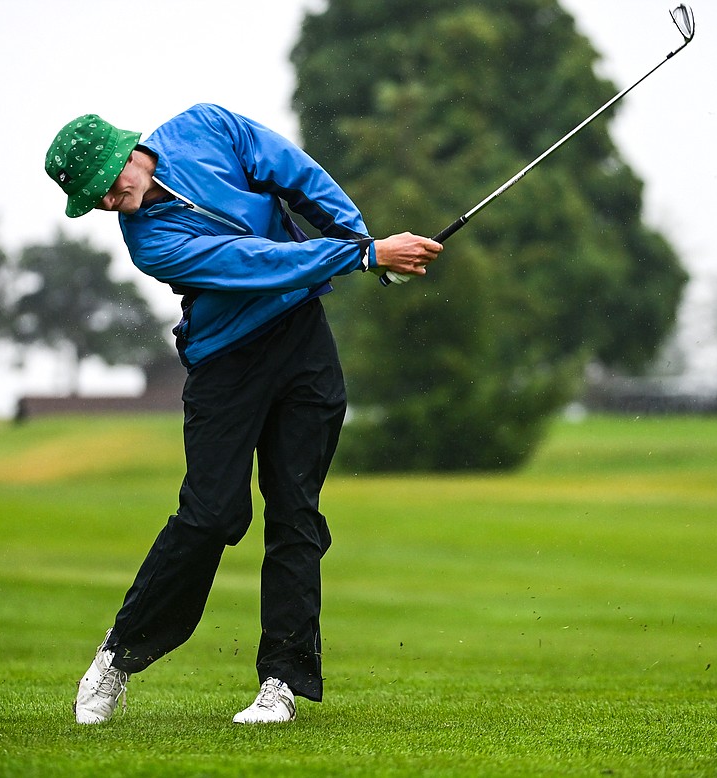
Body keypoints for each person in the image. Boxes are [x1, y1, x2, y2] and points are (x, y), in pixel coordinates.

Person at [43, 104, 441, 725]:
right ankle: (118, 658)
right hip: (226, 366)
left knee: (296, 511)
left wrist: (362, 238)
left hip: (302, 344)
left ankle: (281, 683)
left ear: (126, 151)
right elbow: (253, 264)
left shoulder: (206, 126)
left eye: (107, 184)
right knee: (210, 516)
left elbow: (296, 173)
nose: (109, 201)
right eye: (94, 200)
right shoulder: (151, 244)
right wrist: (361, 257)